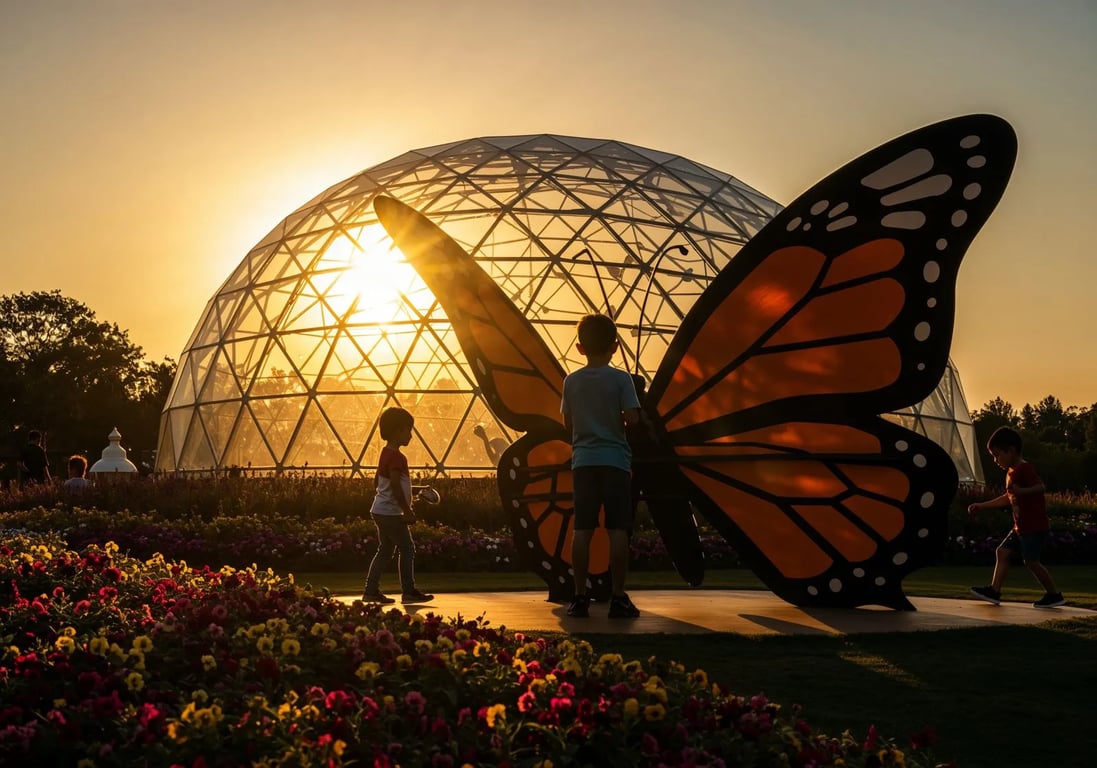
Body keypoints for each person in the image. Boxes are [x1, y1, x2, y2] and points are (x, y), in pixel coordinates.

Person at [561, 313, 642, 618]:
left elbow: (567, 421)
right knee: (617, 529)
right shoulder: (621, 379)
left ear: (580, 348)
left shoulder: (571, 381)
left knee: (582, 529)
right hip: (616, 461)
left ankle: (579, 596)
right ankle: (618, 596)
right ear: (615, 346)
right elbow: (633, 418)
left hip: (583, 461)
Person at [968, 426, 1065, 608]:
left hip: (1034, 526)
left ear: (1011, 450)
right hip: (1020, 526)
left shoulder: (1023, 468)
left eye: (998, 455)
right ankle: (994, 591)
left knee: (1031, 561)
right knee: (1002, 552)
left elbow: (1040, 487)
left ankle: (1054, 594)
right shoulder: (1011, 472)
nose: (996, 460)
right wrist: (982, 505)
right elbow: (1008, 497)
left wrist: (1022, 491)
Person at [362, 407, 434, 605]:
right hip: (391, 513)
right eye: (408, 430)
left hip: (380, 509)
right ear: (397, 431)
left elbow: (380, 483)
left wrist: (415, 489)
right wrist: (407, 510)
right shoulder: (397, 457)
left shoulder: (384, 454)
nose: (410, 434)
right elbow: (394, 484)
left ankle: (370, 591)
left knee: (385, 550)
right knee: (407, 548)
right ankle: (408, 591)